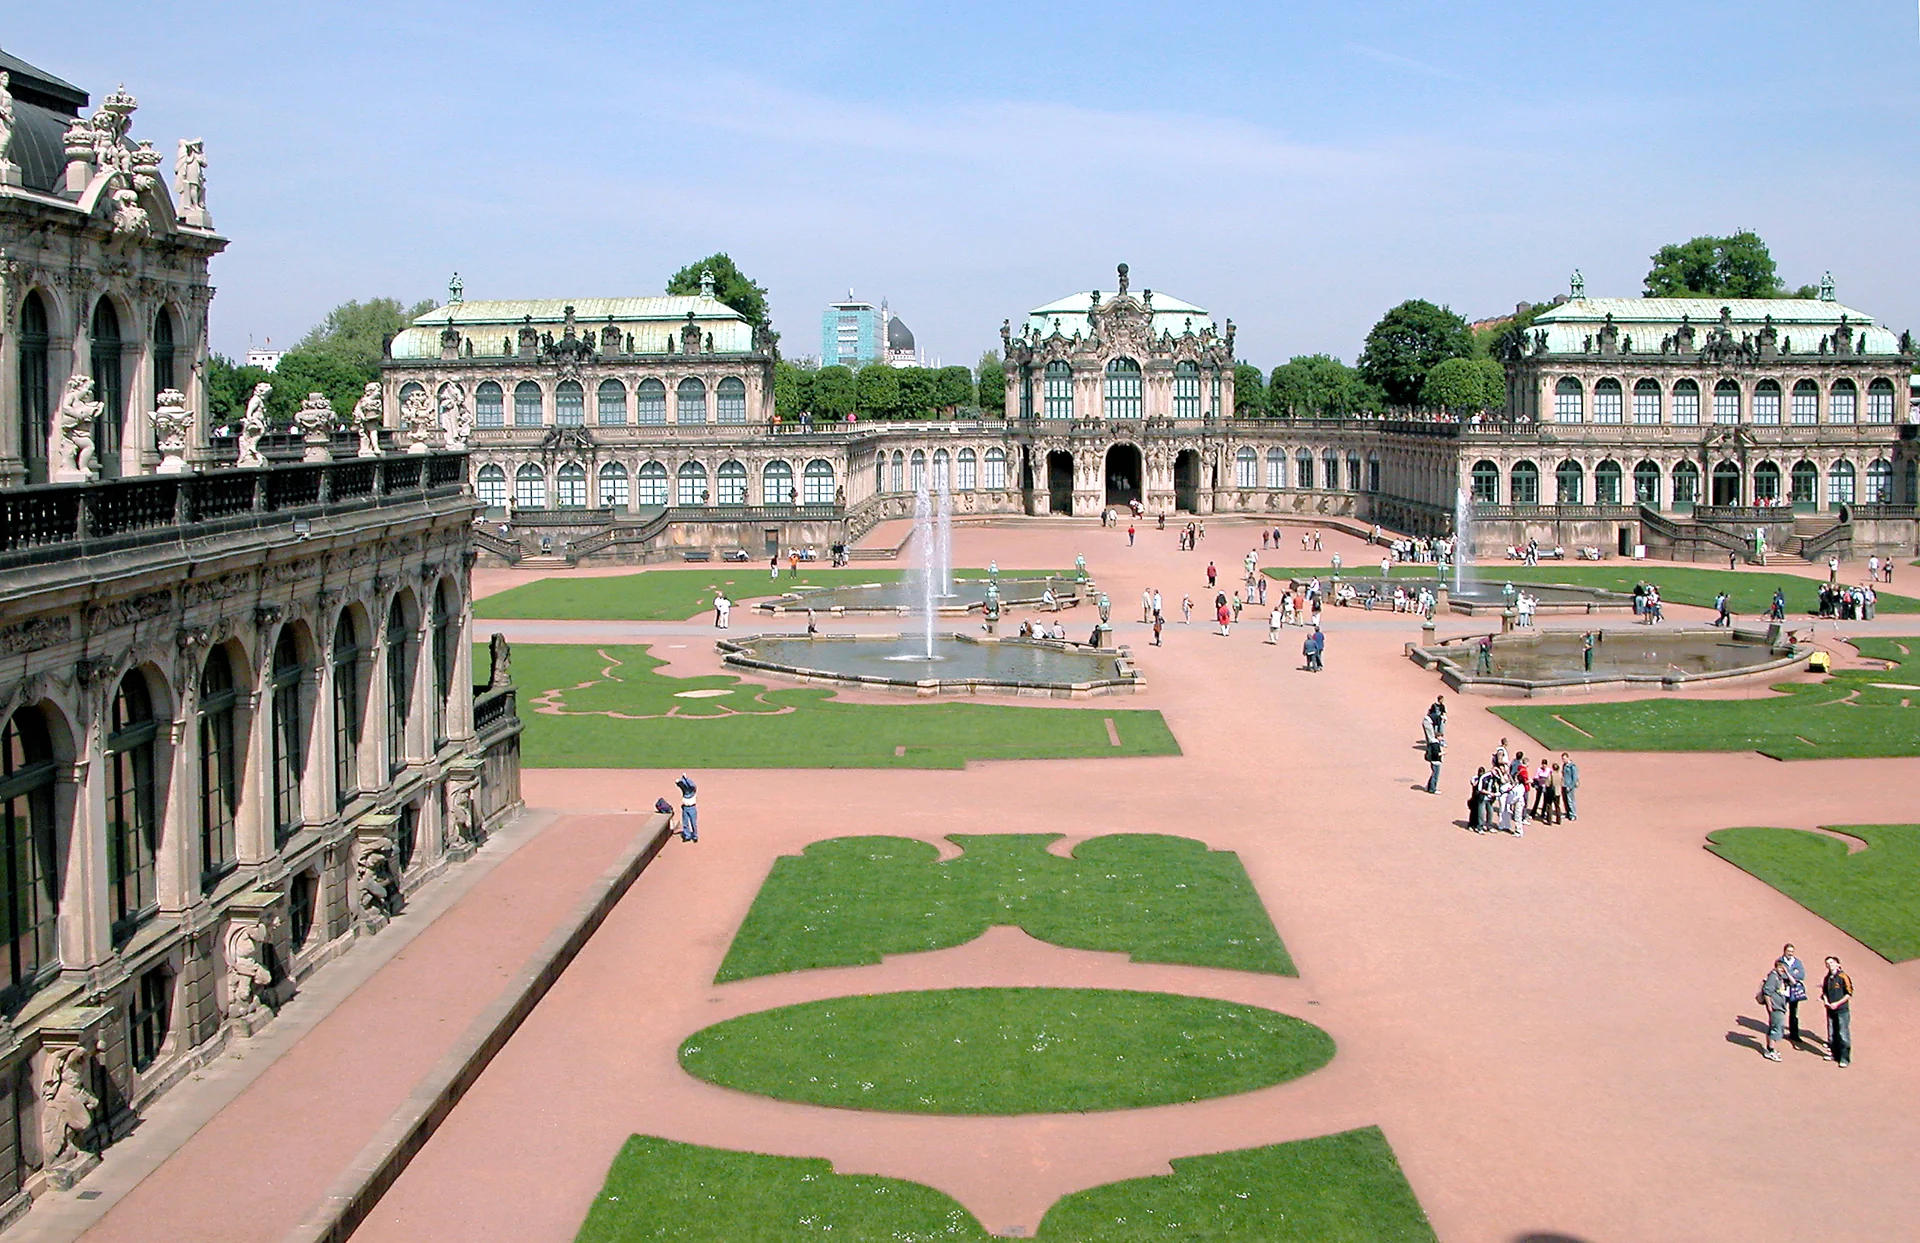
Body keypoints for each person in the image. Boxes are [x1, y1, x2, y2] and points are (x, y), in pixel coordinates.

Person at [1758, 957, 1792, 1061]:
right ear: (1776, 967)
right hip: (1775, 1007)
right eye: (1780, 967)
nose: (1782, 969)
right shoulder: (1773, 977)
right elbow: (1767, 992)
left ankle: (1769, 1049)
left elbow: (1793, 982)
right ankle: (1771, 1051)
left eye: (1784, 968)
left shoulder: (1780, 977)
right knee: (1777, 1028)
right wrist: (1770, 1006)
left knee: (1773, 1027)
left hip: (1779, 1006)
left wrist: (1786, 972)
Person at [1821, 956, 1852, 1067]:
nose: (1829, 965)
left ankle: (1844, 1058)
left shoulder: (1843, 977)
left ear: (1838, 964)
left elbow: (1849, 994)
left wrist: (1837, 1004)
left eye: (1832, 962)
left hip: (1842, 1010)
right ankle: (1834, 1054)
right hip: (1830, 1010)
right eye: (1827, 963)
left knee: (1843, 1034)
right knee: (1832, 1033)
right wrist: (1826, 1001)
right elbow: (1824, 992)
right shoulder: (1827, 978)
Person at [1780, 944, 1808, 1046]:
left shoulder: (1797, 962)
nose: (1790, 953)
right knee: (1781, 1010)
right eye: (1788, 951)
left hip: (1794, 991)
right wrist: (1793, 974)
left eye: (1792, 951)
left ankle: (1794, 1034)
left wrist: (1788, 974)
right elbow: (1780, 974)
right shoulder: (1780, 961)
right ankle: (1779, 1031)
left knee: (1794, 1013)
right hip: (1783, 989)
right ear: (1784, 951)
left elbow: (1801, 975)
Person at [1421, 709, 1445, 793]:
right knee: (1435, 775)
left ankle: (1428, 787)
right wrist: (1442, 753)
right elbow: (1436, 754)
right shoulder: (1435, 744)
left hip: (1433, 761)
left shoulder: (1435, 743)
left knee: (1433, 774)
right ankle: (1432, 789)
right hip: (1436, 761)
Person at [675, 774, 699, 842]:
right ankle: (687, 836)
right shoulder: (684, 791)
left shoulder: (693, 790)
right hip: (685, 808)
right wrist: (679, 781)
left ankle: (695, 836)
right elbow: (681, 785)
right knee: (685, 823)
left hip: (692, 808)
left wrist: (686, 778)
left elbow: (692, 785)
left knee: (693, 823)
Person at [1560, 752, 1579, 820]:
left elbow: (1575, 778)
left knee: (1570, 800)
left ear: (1568, 758)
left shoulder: (1572, 767)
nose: (1563, 760)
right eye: (1562, 759)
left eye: (1564, 759)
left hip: (1569, 786)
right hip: (1564, 785)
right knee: (1565, 800)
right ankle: (1567, 813)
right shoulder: (1564, 765)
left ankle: (1573, 814)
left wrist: (1570, 786)